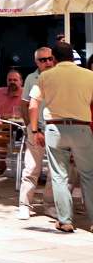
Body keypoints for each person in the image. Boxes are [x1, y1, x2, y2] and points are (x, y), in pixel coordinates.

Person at [28, 41, 93, 233]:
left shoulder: (46, 76)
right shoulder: (89, 75)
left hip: (55, 129)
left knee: (59, 175)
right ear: (73, 57)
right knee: (89, 175)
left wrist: (34, 131)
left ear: (54, 59)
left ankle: (65, 220)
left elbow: (33, 105)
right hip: (82, 128)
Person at [18, 47, 56, 219]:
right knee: (32, 168)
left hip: (56, 129)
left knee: (55, 171)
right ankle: (25, 204)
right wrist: (30, 128)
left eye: (50, 58)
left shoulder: (59, 76)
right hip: (37, 128)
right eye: (43, 60)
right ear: (36, 62)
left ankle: (49, 205)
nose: (47, 62)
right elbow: (24, 105)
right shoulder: (31, 78)